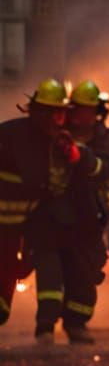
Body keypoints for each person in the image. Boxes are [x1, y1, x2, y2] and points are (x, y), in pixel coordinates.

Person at [0, 79, 70, 341]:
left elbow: (59, 183)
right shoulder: (9, 135)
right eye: (51, 113)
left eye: (60, 114)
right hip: (4, 223)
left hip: (36, 219)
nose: (56, 120)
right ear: (37, 112)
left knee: (46, 260)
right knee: (7, 272)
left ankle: (46, 325)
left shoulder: (60, 142)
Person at [57, 80, 109, 344]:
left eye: (88, 109)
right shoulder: (58, 132)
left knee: (88, 267)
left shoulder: (103, 137)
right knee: (57, 265)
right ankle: (48, 321)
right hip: (58, 210)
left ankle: (76, 323)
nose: (82, 115)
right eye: (78, 109)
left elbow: (108, 168)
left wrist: (81, 157)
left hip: (89, 214)